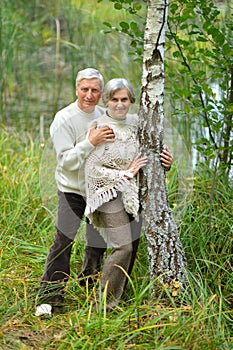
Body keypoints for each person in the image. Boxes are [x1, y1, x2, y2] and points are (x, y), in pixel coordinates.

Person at [35, 68, 173, 317]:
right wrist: (91, 142)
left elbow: (128, 145)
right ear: (76, 89)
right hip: (73, 190)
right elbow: (66, 162)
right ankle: (48, 298)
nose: (89, 94)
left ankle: (90, 285)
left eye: (94, 90)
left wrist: (159, 158)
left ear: (101, 93)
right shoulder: (64, 119)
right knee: (64, 241)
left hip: (103, 190)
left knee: (96, 242)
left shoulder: (105, 114)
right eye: (84, 89)